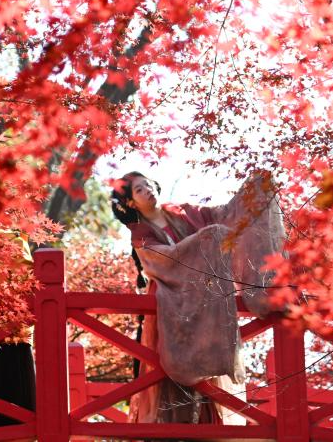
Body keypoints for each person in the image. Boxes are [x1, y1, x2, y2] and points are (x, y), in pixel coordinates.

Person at [111, 170, 283, 426]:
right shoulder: (141, 235)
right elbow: (163, 261)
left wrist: (252, 194)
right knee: (174, 381)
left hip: (205, 302)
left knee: (209, 384)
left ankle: (209, 428)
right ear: (130, 203)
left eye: (148, 184)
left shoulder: (186, 213)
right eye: (139, 189)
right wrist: (206, 238)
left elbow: (226, 218)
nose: (148, 190)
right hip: (172, 306)